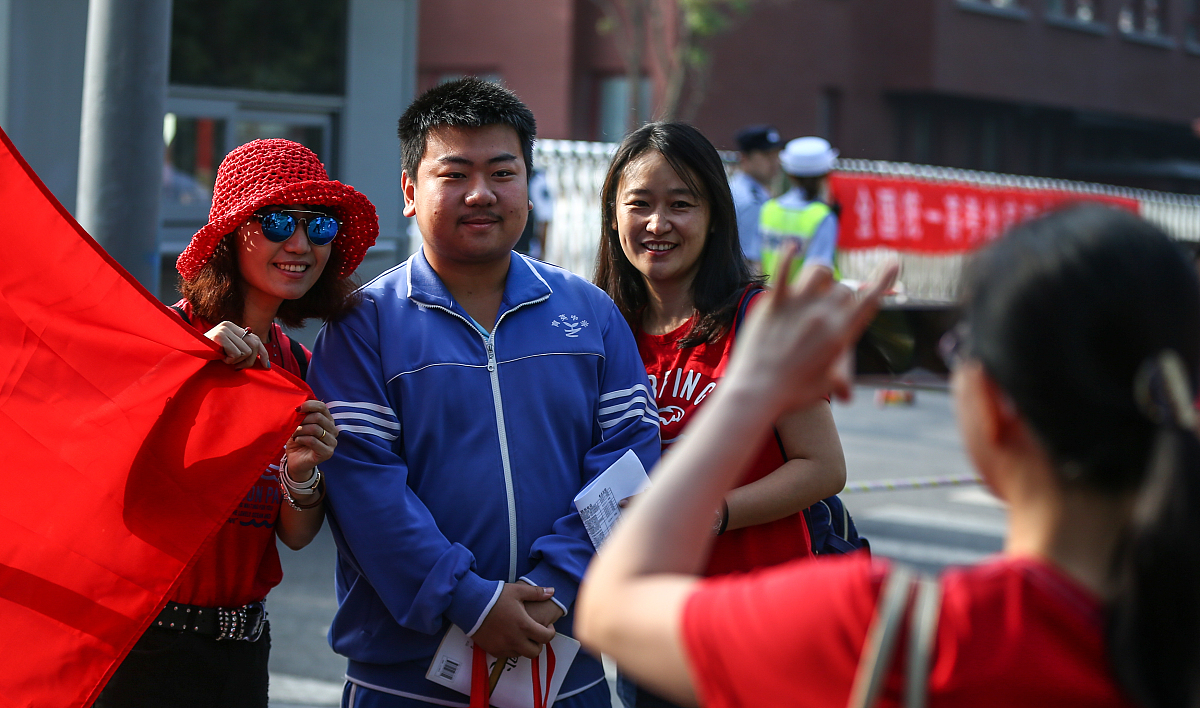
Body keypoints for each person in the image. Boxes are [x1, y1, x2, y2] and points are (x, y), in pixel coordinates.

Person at [577, 205, 1200, 708]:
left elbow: (612, 609)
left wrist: (749, 391)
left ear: (994, 407)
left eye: (955, 351)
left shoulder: (896, 634)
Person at [307, 77, 661, 708]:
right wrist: (469, 600)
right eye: (454, 174)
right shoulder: (363, 326)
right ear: (411, 192)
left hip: (563, 664)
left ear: (528, 183)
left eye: (503, 171)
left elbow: (630, 462)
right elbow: (364, 490)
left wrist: (554, 586)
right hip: (406, 680)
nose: (482, 194)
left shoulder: (591, 314)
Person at [95, 138, 380, 708]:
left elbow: (295, 536)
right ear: (231, 233)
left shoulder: (298, 368)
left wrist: (302, 470)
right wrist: (186, 369)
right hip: (136, 650)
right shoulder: (166, 341)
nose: (299, 244)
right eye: (276, 220)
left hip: (243, 653)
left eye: (318, 226)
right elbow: (104, 480)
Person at [595, 121, 848, 708]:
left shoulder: (761, 318)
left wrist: (716, 513)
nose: (658, 224)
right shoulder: (601, 328)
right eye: (640, 204)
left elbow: (823, 467)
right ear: (613, 216)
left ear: (714, 216)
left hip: (765, 622)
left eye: (681, 204)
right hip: (652, 625)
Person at [759, 136, 840, 283]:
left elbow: (755, 262)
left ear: (790, 174)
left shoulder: (768, 209)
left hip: (768, 298)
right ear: (827, 173)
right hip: (805, 303)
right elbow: (817, 272)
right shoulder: (823, 216)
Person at [728, 124, 784, 272]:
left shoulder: (742, 188)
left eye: (776, 154)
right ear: (745, 158)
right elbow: (748, 260)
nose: (774, 162)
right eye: (766, 155)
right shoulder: (751, 199)